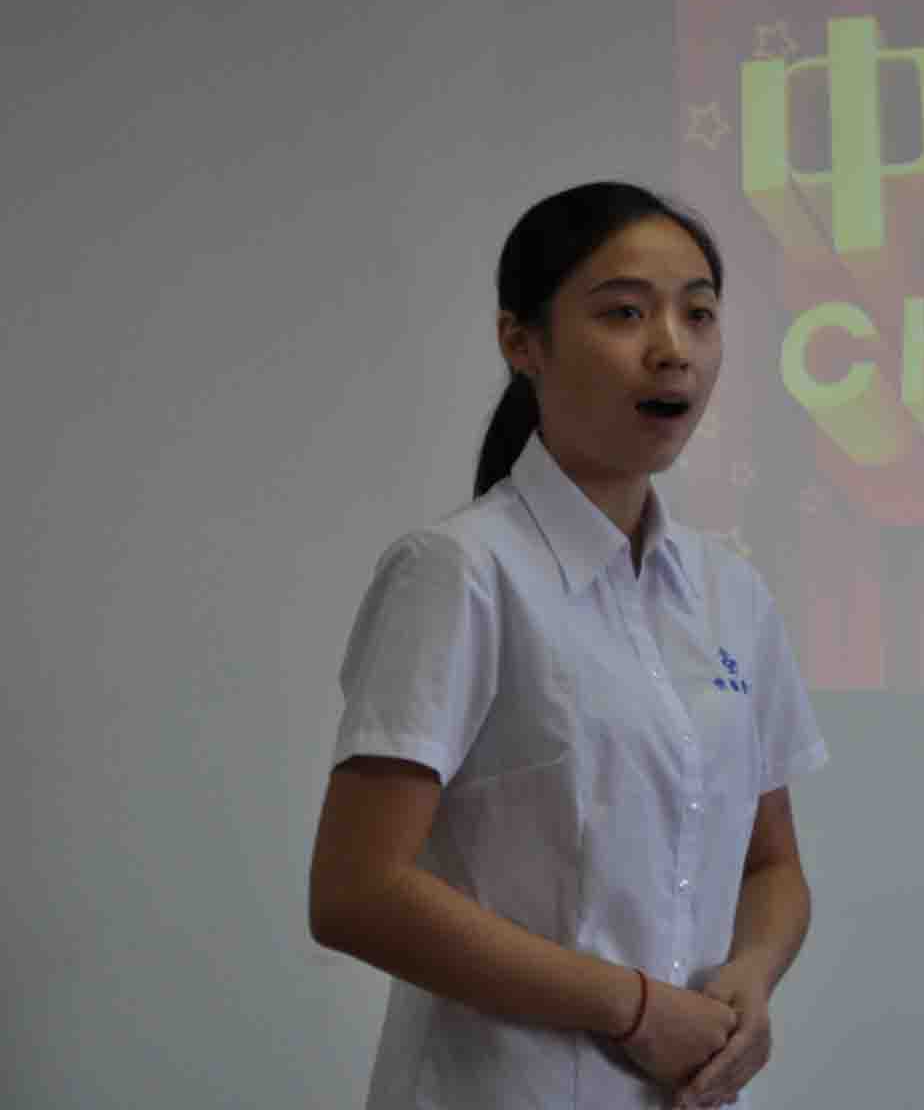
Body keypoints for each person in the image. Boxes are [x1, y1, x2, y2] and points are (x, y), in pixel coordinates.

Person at [309, 182, 828, 1109]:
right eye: (624, 313)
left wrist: (752, 978)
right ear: (522, 342)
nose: (672, 348)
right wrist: (633, 1009)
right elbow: (358, 891)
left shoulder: (732, 596)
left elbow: (771, 865)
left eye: (698, 314)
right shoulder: (461, 572)